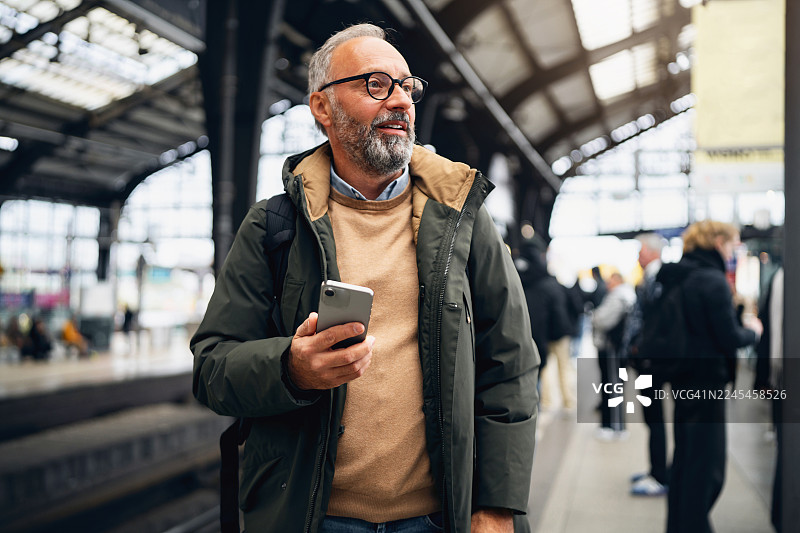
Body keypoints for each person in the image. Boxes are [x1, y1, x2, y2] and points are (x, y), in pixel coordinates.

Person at [191, 24, 539, 533]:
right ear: (322, 107)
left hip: (439, 517)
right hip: (314, 520)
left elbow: (509, 364)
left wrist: (496, 505)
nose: (400, 101)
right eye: (377, 84)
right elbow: (212, 367)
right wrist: (291, 369)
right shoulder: (274, 226)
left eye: (407, 86)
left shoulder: (461, 217)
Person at [659, 220, 762, 533]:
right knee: (708, 468)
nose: (734, 250)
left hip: (681, 380)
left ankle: (678, 525)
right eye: (732, 243)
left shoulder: (677, 275)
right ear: (718, 242)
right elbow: (728, 337)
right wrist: (753, 332)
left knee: (686, 460)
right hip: (708, 383)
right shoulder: (712, 280)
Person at [626, 233, 669, 496]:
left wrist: (641, 347)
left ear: (653, 252)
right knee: (651, 416)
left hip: (650, 361)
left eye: (641, 251)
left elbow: (653, 320)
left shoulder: (657, 278)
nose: (638, 257)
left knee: (654, 417)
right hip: (648, 358)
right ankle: (656, 469)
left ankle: (659, 474)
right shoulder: (651, 278)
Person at [516, 239, 574, 410]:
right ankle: (567, 402)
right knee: (563, 368)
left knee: (545, 370)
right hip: (559, 333)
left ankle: (546, 402)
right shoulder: (549, 282)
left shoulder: (524, 281)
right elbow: (561, 309)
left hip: (541, 334)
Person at [591, 271, 635, 440]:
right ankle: (612, 425)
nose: (608, 284)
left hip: (613, 349)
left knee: (612, 387)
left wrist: (595, 316)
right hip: (616, 349)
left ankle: (615, 426)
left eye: (611, 281)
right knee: (612, 386)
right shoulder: (625, 295)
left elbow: (602, 319)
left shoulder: (620, 296)